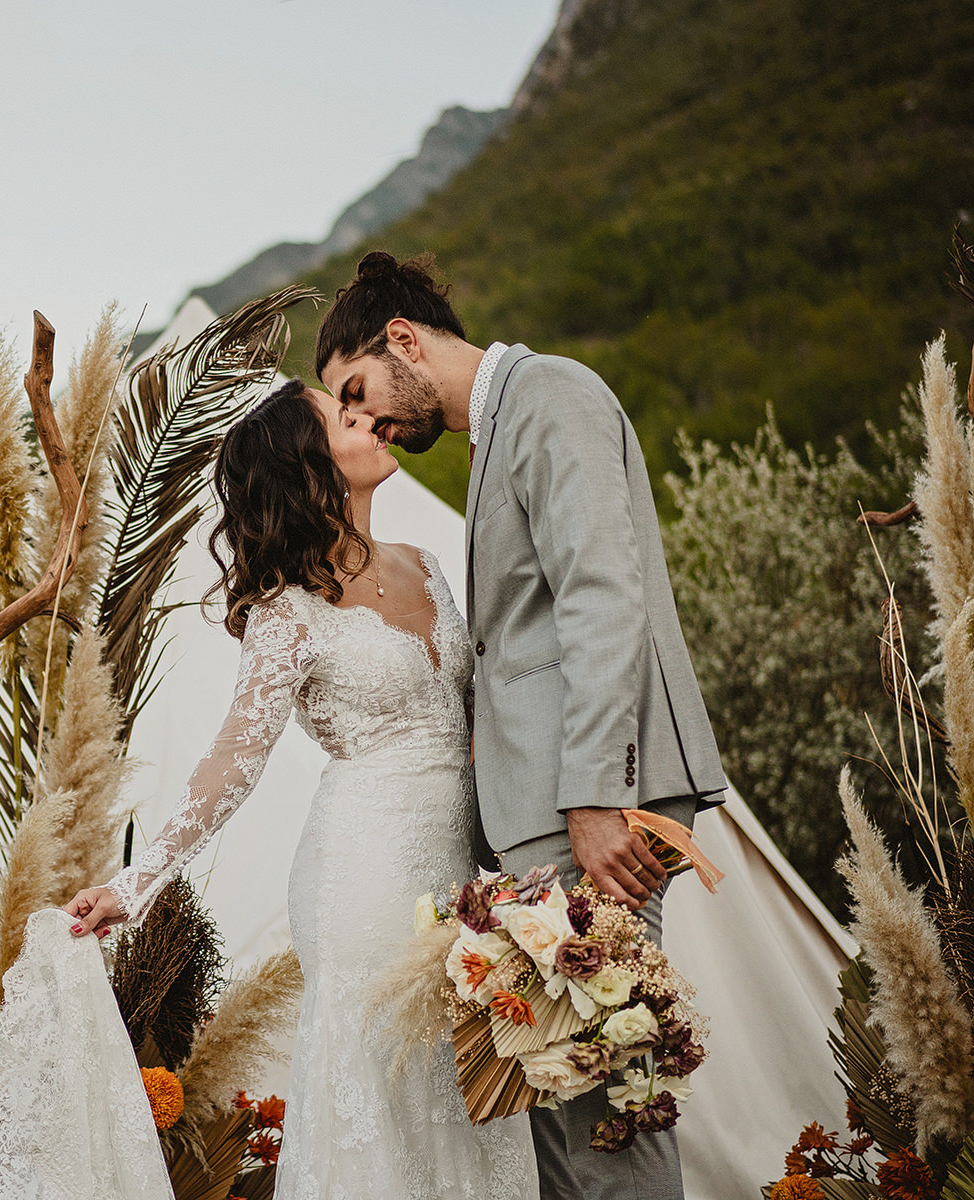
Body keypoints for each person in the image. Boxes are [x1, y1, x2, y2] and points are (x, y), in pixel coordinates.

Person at [315, 250, 727, 1200]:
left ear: (405, 339)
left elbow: (602, 597)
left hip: (594, 808)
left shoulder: (551, 395)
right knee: (565, 1107)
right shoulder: (496, 432)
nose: (368, 419)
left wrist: (593, 794)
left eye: (360, 389)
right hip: (548, 816)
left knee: (608, 1115)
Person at [61, 378, 536, 1200]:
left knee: (469, 1092)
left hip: (459, 873)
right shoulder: (287, 611)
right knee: (384, 1097)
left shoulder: (427, 566)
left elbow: (476, 720)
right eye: (339, 416)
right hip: (364, 874)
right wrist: (136, 881)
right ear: (306, 464)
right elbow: (231, 760)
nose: (368, 416)